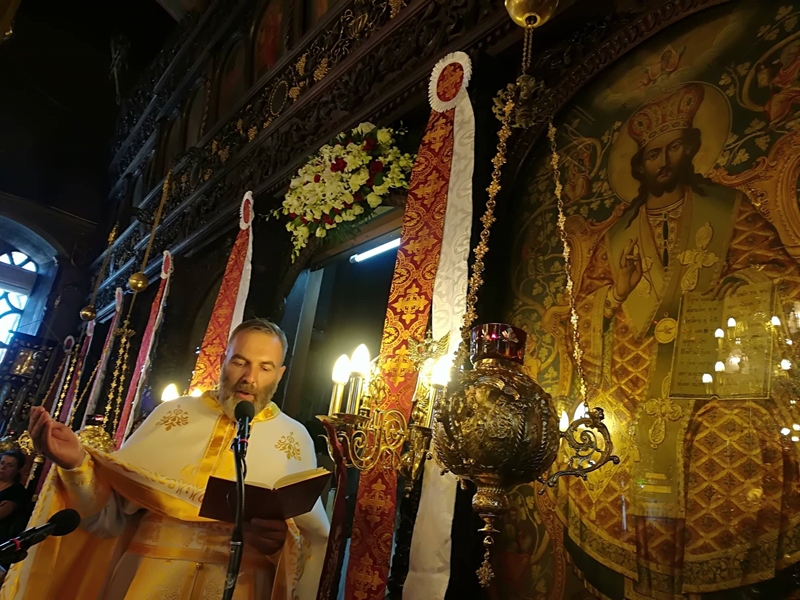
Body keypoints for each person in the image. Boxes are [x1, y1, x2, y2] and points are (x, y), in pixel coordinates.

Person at [571, 83, 800, 596]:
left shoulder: (728, 208)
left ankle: (710, 585)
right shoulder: (617, 236)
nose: (665, 160)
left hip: (714, 379)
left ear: (692, 149)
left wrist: (735, 291)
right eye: (654, 153)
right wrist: (615, 295)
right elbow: (580, 314)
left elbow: (781, 278)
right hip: (630, 385)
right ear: (639, 165)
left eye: (675, 147)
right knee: (605, 449)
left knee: (737, 439)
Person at [1, 318, 330, 599]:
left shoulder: (294, 437)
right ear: (222, 360)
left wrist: (279, 545)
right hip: (148, 579)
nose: (250, 377)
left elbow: (310, 542)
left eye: (265, 367)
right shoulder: (173, 414)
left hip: (243, 586)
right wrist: (76, 465)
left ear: (280, 373)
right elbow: (109, 517)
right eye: (240, 361)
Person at [0, 450, 30, 543]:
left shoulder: (17, 492)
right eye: (2, 463)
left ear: (17, 470)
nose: (3, 468)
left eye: (10, 465)